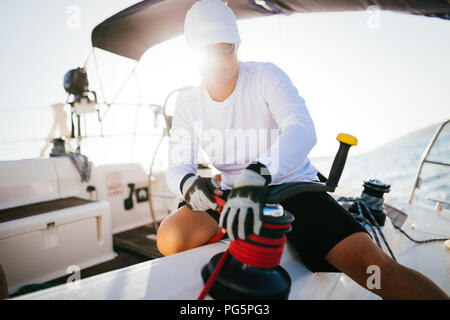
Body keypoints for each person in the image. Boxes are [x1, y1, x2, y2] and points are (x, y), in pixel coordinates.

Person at [157, 0, 449, 300]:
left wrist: (258, 173)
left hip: (292, 188)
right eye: (207, 50)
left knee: (374, 268)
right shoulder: (189, 106)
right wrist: (188, 185)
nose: (217, 59)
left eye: (225, 47)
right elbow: (179, 165)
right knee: (170, 237)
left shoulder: (265, 76)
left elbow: (301, 128)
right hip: (234, 196)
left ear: (237, 45)